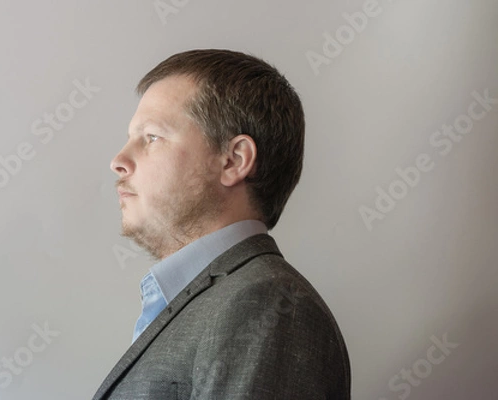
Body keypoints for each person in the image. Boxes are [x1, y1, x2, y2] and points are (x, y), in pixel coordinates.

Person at [92, 49, 351, 399]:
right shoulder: (220, 299)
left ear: (233, 160)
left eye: (151, 137)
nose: (118, 161)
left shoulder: (268, 306)